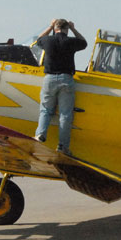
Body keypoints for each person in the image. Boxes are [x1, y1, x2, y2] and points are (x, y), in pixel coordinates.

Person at [34, 18, 87, 155]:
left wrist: (50, 26)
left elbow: (38, 40)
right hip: (66, 79)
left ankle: (40, 135)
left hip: (49, 79)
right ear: (67, 29)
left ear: (55, 28)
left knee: (45, 110)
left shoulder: (47, 41)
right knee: (65, 115)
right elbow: (84, 43)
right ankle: (62, 146)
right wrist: (74, 29)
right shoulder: (71, 42)